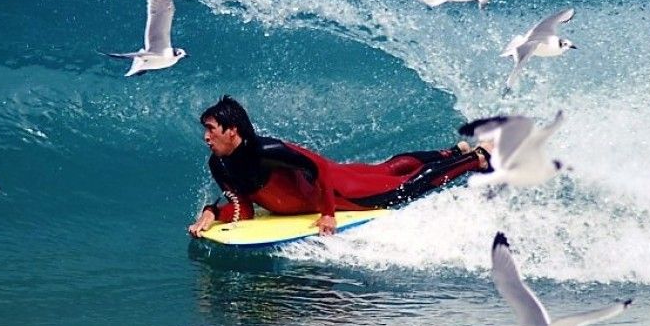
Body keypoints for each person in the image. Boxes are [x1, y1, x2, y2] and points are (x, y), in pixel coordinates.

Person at [188, 96, 491, 237]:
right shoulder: (220, 164)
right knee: (386, 169)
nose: (206, 136)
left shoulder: (266, 151)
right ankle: (452, 150)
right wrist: (212, 213)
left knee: (404, 188)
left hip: (336, 191)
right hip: (329, 179)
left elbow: (316, 171)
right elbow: (244, 209)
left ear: (232, 130)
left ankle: (472, 158)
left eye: (211, 129)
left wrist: (328, 214)